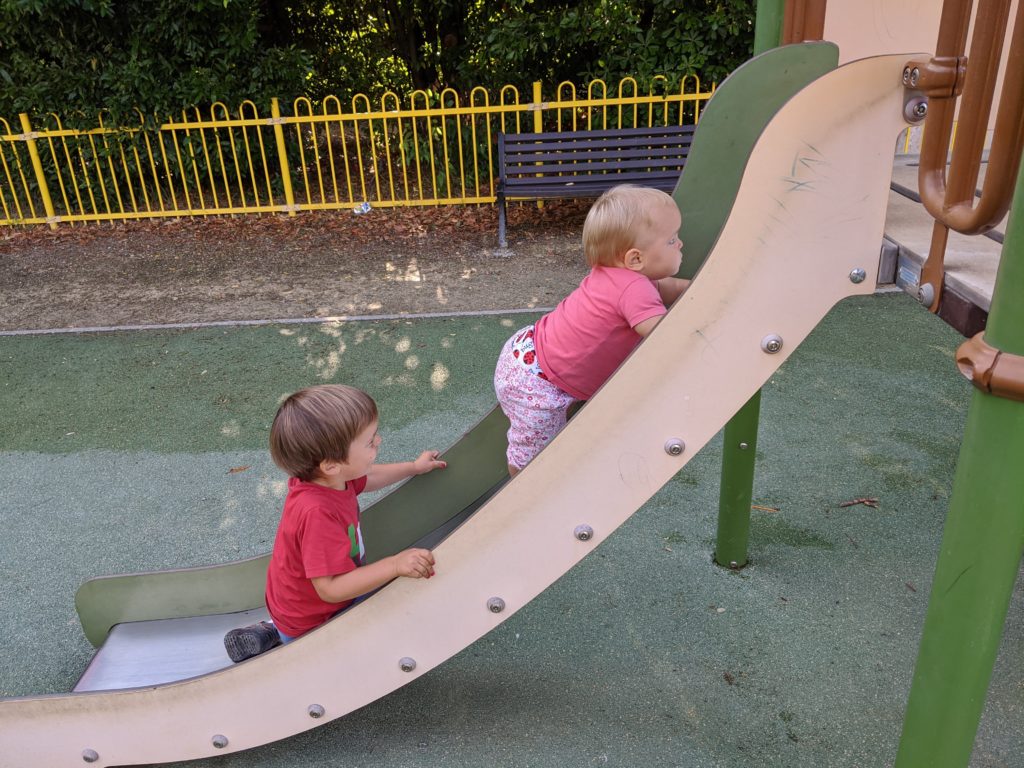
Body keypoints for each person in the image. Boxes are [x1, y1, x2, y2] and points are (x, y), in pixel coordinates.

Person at [223, 384, 446, 662]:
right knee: (384, 614)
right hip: (312, 619)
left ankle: (270, 632)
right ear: (330, 465)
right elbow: (330, 588)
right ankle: (279, 635)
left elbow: (370, 477)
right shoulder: (316, 512)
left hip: (301, 601)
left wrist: (413, 467)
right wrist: (394, 564)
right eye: (369, 442)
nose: (378, 441)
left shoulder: (331, 479)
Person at [494, 184, 690, 476]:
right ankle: (520, 489)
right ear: (635, 259)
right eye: (672, 240)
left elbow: (667, 288)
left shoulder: (619, 276)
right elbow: (663, 333)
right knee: (533, 456)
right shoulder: (633, 289)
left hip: (529, 351)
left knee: (548, 442)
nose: (681, 244)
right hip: (537, 383)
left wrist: (697, 288)